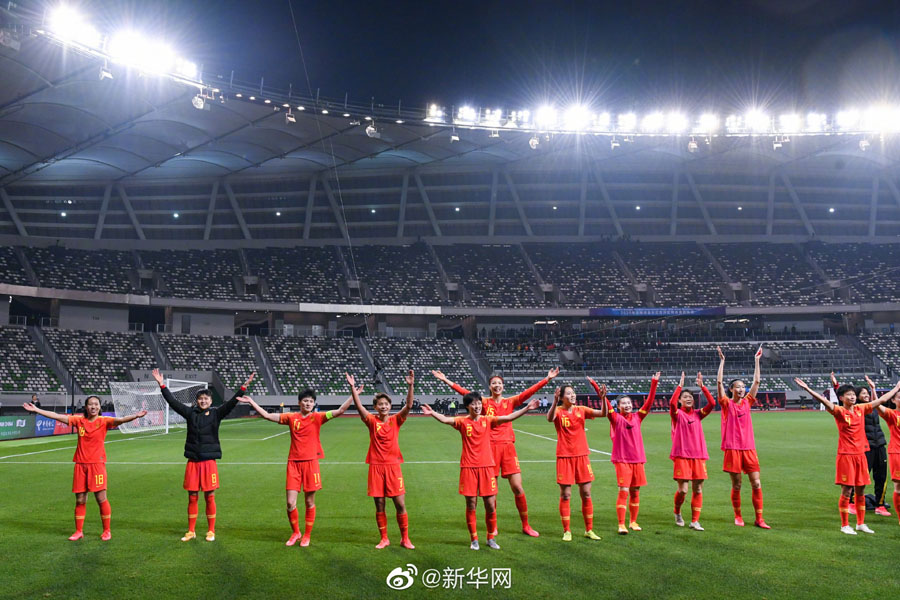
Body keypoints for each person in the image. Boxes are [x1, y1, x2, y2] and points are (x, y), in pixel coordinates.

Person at [431, 367, 559, 537]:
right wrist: (445, 380)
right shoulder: (483, 402)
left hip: (508, 448)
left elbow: (528, 393)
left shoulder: (510, 402)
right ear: (490, 387)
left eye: (499, 383)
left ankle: (526, 525)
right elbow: (465, 392)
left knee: (518, 487)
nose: (497, 386)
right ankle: (494, 526)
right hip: (489, 450)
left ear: (503, 386)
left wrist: (547, 379)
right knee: (492, 491)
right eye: (493, 383)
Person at [238, 384, 353, 547]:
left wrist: (353, 393)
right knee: (290, 503)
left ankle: (306, 535)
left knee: (309, 502)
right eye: (305, 401)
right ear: (300, 403)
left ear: (314, 404)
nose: (308, 404)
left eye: (311, 401)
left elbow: (340, 410)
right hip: (293, 464)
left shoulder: (318, 417)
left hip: (311, 464)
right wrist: (252, 402)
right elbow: (267, 415)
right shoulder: (291, 417)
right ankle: (296, 532)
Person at [422, 392, 539, 550]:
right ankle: (474, 539)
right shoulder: (462, 422)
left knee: (490, 505)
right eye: (473, 404)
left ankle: (491, 538)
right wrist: (432, 413)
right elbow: (445, 419)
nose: (477, 406)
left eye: (479, 403)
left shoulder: (487, 420)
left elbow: (508, 418)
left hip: (486, 468)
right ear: (467, 406)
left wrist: (527, 408)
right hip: (468, 468)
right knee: (471, 504)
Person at [151, 368, 254, 542]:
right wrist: (161, 384)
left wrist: (243, 387)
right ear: (197, 401)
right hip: (193, 461)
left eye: (206, 398)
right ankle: (191, 531)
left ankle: (211, 531)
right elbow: (173, 402)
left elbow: (230, 404)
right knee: (192, 497)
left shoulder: (216, 413)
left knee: (209, 496)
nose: (203, 400)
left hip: (209, 463)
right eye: (200, 398)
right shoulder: (190, 413)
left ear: (211, 400)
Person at [23, 396, 146, 541]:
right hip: (80, 465)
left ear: (100, 407)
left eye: (96, 404)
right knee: (80, 499)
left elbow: (120, 420)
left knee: (101, 498)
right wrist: (37, 410)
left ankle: (107, 530)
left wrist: (135, 416)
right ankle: (78, 531)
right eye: (90, 404)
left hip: (97, 465)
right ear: (86, 407)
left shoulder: (103, 421)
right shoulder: (79, 421)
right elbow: (57, 416)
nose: (93, 407)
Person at [794, 377, 900, 534]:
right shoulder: (839, 412)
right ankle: (844, 525)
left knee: (861, 490)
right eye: (848, 395)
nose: (852, 397)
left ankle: (860, 523)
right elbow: (825, 402)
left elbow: (882, 400)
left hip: (861, 455)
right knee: (847, 491)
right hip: (846, 455)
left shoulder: (860, 409)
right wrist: (809, 390)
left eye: (853, 394)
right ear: (841, 398)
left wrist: (896, 387)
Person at [347, 369, 415, 549]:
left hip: (393, 467)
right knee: (380, 504)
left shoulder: (396, 420)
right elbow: (359, 407)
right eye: (380, 404)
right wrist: (353, 388)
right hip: (376, 467)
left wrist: (410, 386)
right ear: (376, 407)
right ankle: (384, 538)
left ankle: (405, 538)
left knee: (400, 503)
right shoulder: (371, 421)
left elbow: (408, 406)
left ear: (390, 406)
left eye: (386, 404)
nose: (384, 406)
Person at [548, 380, 608, 542]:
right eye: (568, 393)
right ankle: (567, 530)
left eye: (573, 393)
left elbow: (603, 414)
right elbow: (549, 418)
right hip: (564, 457)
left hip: (582, 456)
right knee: (566, 495)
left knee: (586, 493)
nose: (572, 395)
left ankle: (589, 529)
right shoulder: (559, 411)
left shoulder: (582, 410)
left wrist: (603, 399)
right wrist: (553, 402)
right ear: (561, 397)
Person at [716, 346, 770, 528]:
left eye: (742, 386)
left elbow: (757, 382)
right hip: (732, 449)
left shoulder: (747, 402)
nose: (741, 389)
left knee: (756, 483)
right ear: (731, 389)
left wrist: (757, 360)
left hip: (749, 448)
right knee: (737, 485)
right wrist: (722, 362)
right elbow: (718, 383)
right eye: (737, 386)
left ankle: (759, 519)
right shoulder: (726, 404)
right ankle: (738, 516)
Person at [601, 372, 659, 535]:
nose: (627, 405)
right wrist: (602, 394)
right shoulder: (615, 418)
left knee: (635, 491)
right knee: (624, 490)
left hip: (638, 459)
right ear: (618, 406)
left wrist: (654, 383)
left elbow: (648, 403)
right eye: (623, 403)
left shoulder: (638, 417)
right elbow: (607, 409)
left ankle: (633, 521)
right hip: (622, 460)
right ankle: (621, 524)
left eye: (629, 402)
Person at [831, 373, 890, 517]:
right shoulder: (857, 409)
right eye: (863, 393)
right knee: (857, 479)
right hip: (863, 447)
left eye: (867, 393)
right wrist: (836, 386)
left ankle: (880, 504)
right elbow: (841, 405)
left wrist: (873, 388)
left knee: (881, 476)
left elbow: (879, 401)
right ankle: (850, 502)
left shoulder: (872, 408)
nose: (866, 395)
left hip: (880, 444)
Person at [670, 371, 717, 531]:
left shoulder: (698, 414)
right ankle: (677, 512)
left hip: (698, 456)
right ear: (680, 401)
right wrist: (679, 386)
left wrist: (702, 386)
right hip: (682, 455)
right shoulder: (677, 414)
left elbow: (712, 403)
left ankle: (695, 521)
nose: (688, 399)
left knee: (697, 488)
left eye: (690, 397)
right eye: (685, 397)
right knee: (683, 490)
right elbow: (671, 404)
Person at [874, 390, 900, 525]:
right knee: (899, 488)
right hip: (897, 453)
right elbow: (878, 405)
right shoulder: (892, 414)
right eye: (899, 398)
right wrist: (873, 390)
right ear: (894, 401)